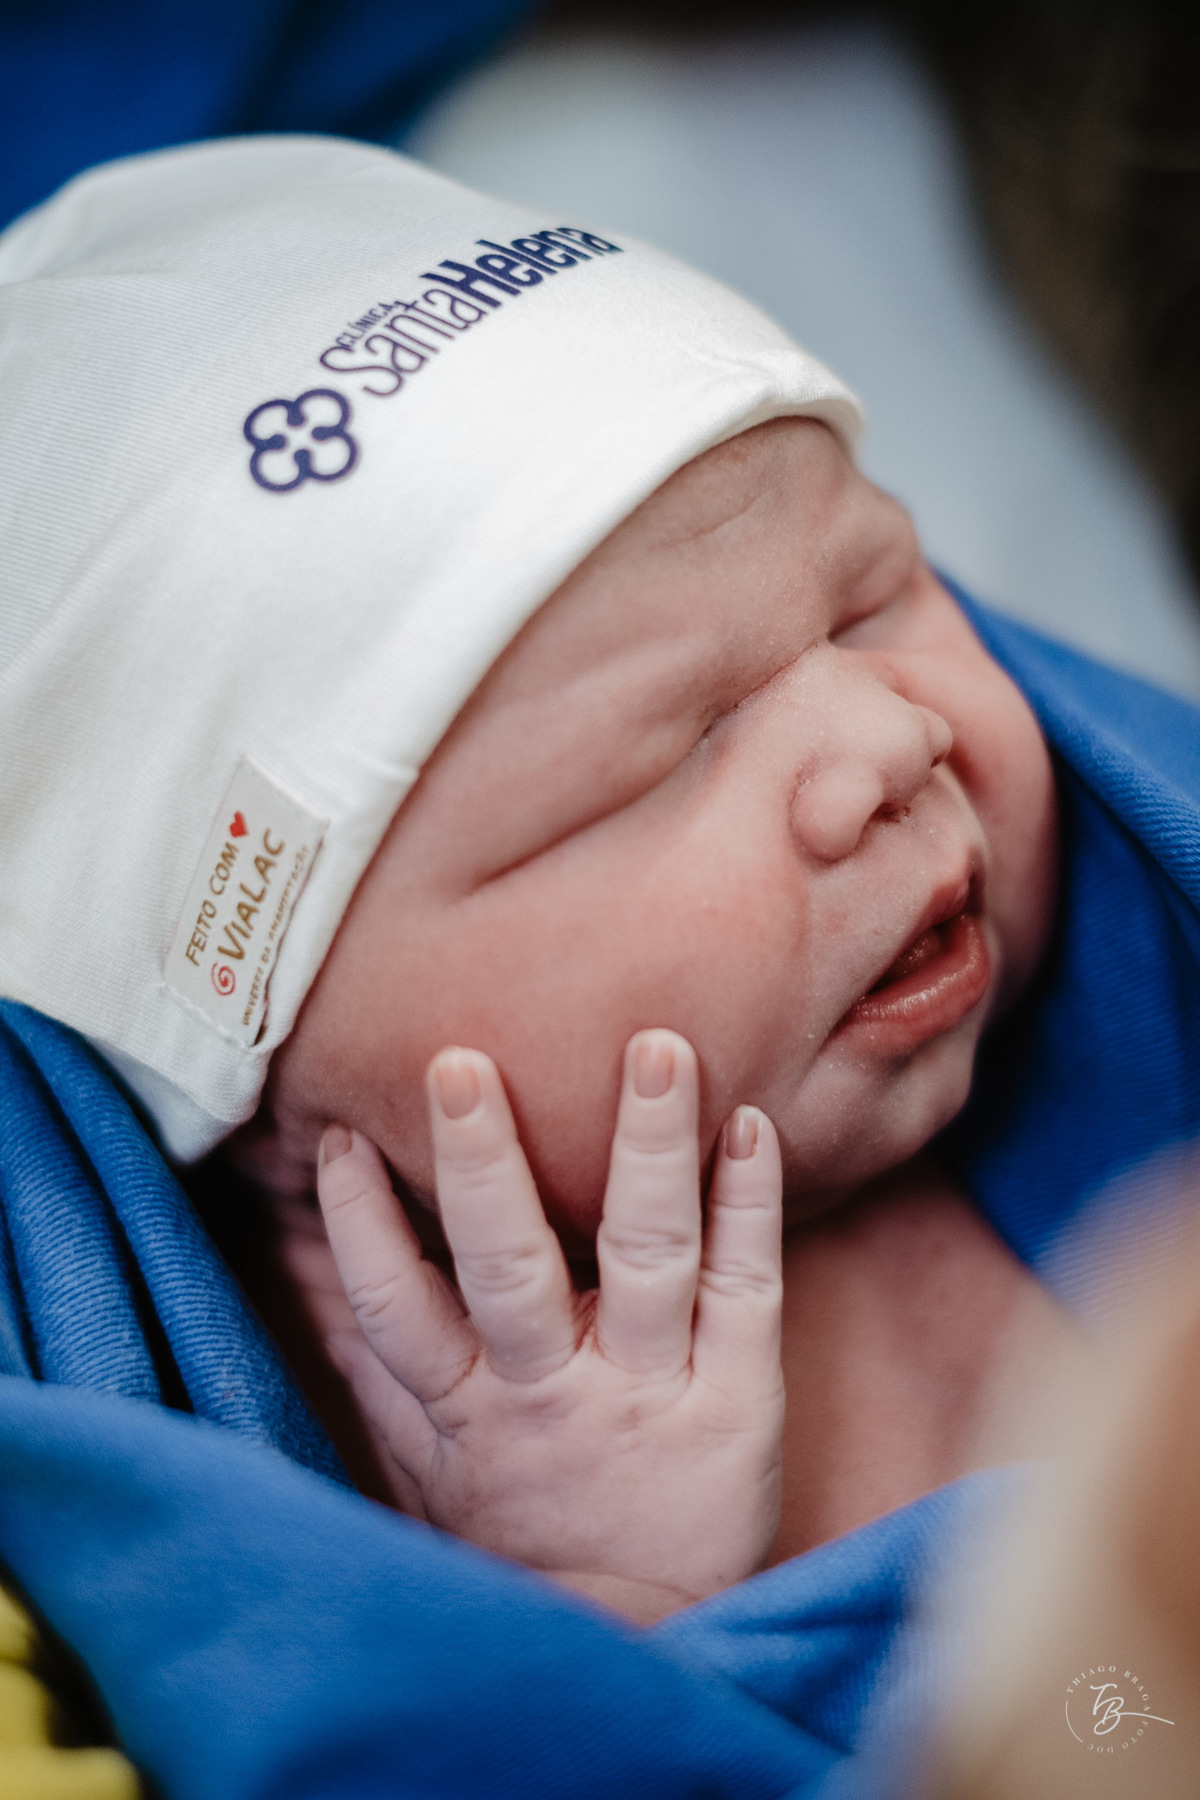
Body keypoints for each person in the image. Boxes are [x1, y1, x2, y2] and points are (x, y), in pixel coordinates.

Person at [2, 133, 1200, 1794]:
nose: (886, 740)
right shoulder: (363, 1503)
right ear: (262, 1070)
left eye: (873, 603)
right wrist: (603, 1614)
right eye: (666, 754)